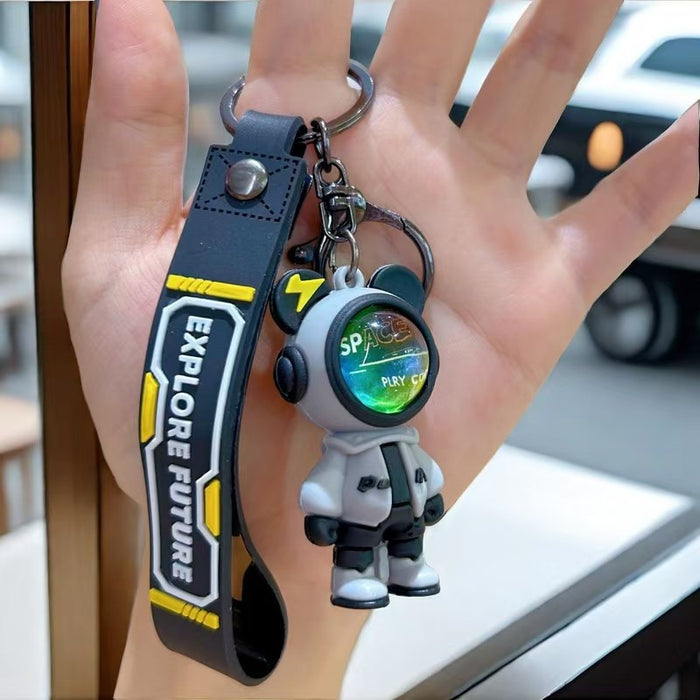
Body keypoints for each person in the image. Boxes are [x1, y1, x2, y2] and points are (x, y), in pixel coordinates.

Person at [62, 0, 699, 697]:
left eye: (393, 353)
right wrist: (232, 500)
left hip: (343, 516)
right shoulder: (313, 385)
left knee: (394, 539)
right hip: (310, 528)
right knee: (366, 543)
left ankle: (394, 564)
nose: (386, 365)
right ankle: (363, 570)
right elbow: (318, 490)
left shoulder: (396, 383)